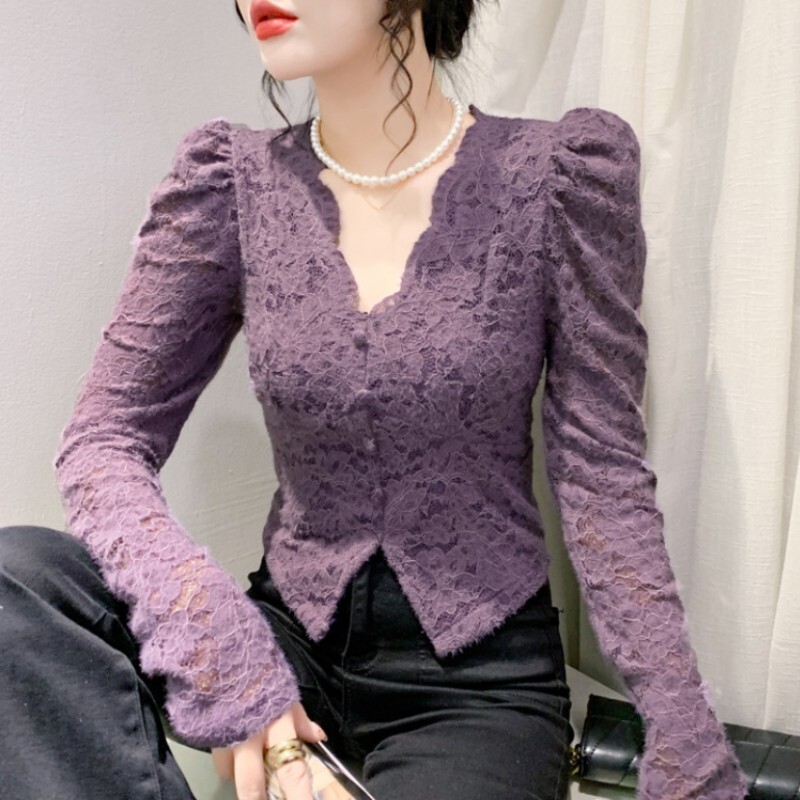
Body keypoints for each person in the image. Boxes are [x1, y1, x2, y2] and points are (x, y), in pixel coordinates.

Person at [0, 1, 750, 799]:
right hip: (283, 639)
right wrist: (218, 647)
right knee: (19, 579)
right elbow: (104, 439)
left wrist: (683, 733)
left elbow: (602, 472)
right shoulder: (228, 186)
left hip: (476, 686)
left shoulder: (556, 177)